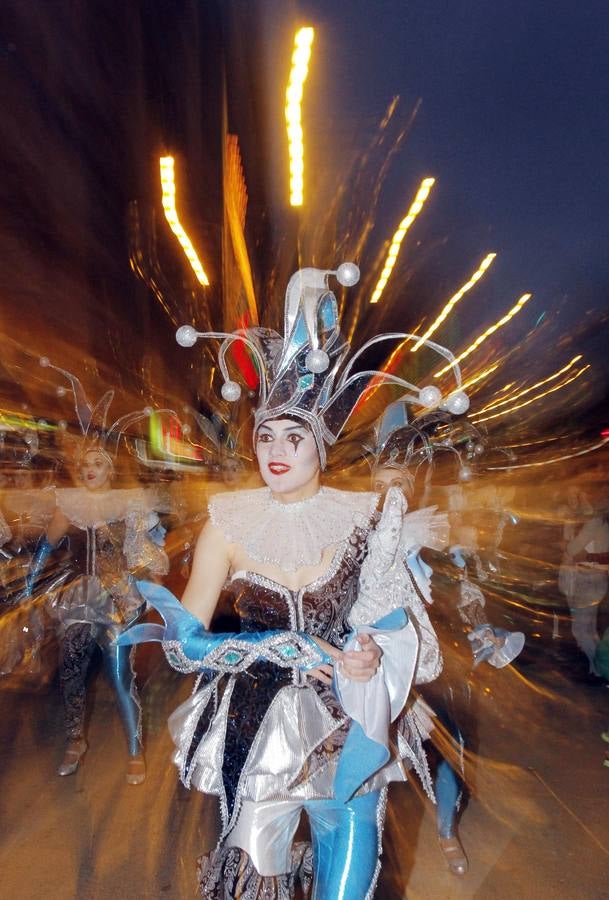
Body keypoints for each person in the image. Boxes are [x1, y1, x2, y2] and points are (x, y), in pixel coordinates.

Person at [119, 263, 471, 898]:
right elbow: (181, 645)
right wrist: (288, 647)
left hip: (349, 730)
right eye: (265, 437)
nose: (275, 451)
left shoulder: (368, 517)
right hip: (258, 736)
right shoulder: (228, 524)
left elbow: (396, 625)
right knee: (253, 885)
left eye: (293, 436)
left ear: (321, 446)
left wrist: (368, 653)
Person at [24, 361, 170, 783]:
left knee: (121, 676)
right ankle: (75, 739)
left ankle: (134, 749)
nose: (89, 470)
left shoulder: (128, 503)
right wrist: (30, 588)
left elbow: (146, 551)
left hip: (118, 599)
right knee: (70, 670)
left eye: (98, 464)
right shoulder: (69, 504)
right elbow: (46, 548)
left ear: (110, 469)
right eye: (85, 463)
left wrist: (150, 584)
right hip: (77, 598)